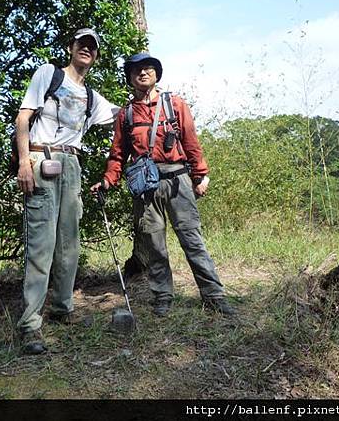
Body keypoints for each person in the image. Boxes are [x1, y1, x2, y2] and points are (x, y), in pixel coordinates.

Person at [90, 53, 235, 318]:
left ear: (157, 74)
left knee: (192, 239)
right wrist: (108, 179)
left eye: (148, 69)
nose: (142, 73)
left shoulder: (175, 104)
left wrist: (200, 175)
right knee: (154, 244)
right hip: (145, 186)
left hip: (178, 179)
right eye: (136, 70)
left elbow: (191, 141)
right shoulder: (126, 114)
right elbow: (118, 155)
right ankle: (162, 296)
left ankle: (214, 295)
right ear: (130, 78)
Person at [15, 28, 117, 354]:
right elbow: (23, 119)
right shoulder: (49, 74)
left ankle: (62, 308)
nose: (86, 49)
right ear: (71, 48)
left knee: (69, 245)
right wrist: (22, 163)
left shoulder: (92, 97)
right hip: (40, 158)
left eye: (92, 47)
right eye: (81, 44)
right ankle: (30, 326)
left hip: (72, 165)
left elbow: (123, 115)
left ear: (96, 56)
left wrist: (153, 101)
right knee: (41, 247)